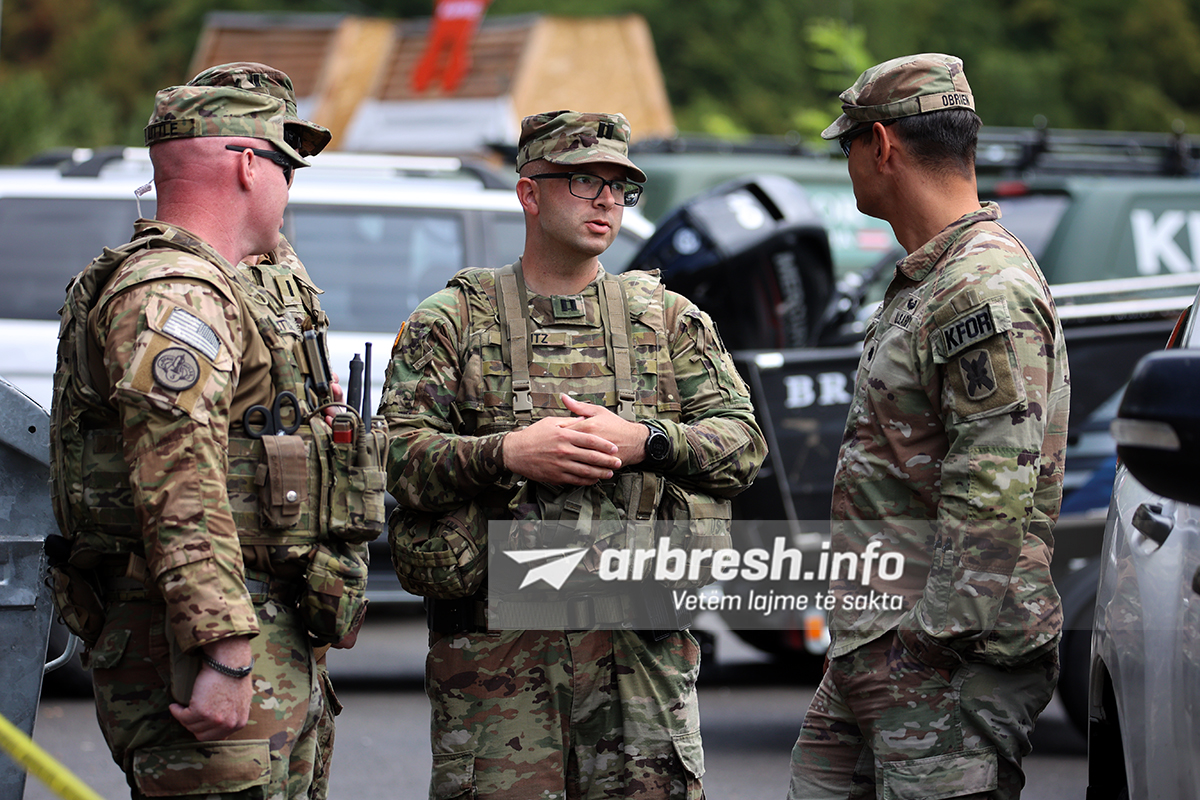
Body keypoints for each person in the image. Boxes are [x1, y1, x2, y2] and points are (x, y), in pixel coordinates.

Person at [380, 110, 767, 799]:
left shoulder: (668, 320)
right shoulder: (454, 321)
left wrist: (646, 441)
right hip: (497, 665)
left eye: (622, 187)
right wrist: (508, 454)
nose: (607, 201)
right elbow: (397, 457)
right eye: (585, 180)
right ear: (529, 192)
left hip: (638, 660)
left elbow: (742, 445)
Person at [48, 63, 380, 800]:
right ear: (245, 165)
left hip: (260, 626)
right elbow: (179, 482)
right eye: (286, 165)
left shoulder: (219, 285)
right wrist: (226, 653)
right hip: (202, 648)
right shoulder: (177, 290)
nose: (290, 189)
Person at [787, 54, 1070, 799]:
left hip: (939, 657)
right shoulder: (933, 276)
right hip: (880, 644)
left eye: (845, 145)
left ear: (881, 145)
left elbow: (994, 487)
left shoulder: (980, 285)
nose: (846, 163)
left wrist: (924, 644)